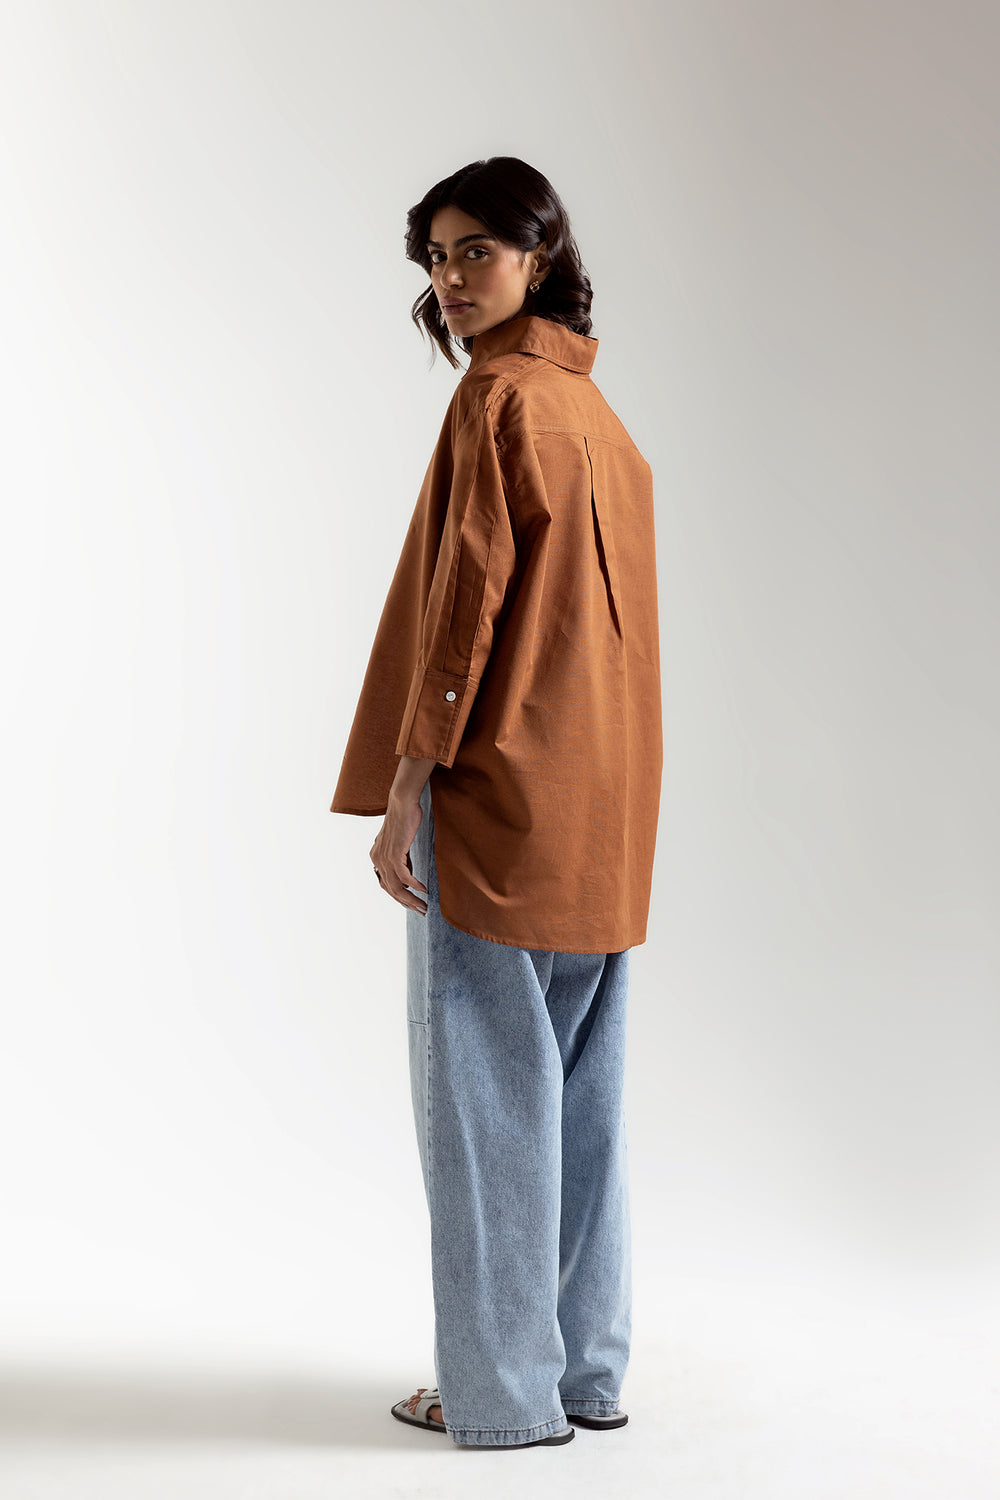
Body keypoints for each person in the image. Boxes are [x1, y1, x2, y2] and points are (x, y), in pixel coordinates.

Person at [330, 156, 662, 1450]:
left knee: (484, 1109)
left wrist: (406, 787)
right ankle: (586, 1375)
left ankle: (500, 1395)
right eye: (437, 256)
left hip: (495, 798)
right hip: (603, 808)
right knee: (582, 1106)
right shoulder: (602, 419)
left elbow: (463, 614)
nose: (451, 278)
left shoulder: (499, 398)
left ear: (540, 254)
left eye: (476, 250)